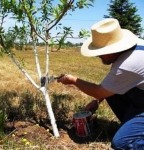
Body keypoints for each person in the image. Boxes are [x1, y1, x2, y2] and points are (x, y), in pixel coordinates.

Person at [57, 18, 144, 150]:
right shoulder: (133, 47)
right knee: (112, 94)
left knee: (121, 143)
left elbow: (99, 90)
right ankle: (132, 124)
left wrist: (74, 80)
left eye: (101, 52)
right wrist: (97, 100)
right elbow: (111, 86)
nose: (98, 56)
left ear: (113, 49)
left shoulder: (127, 64)